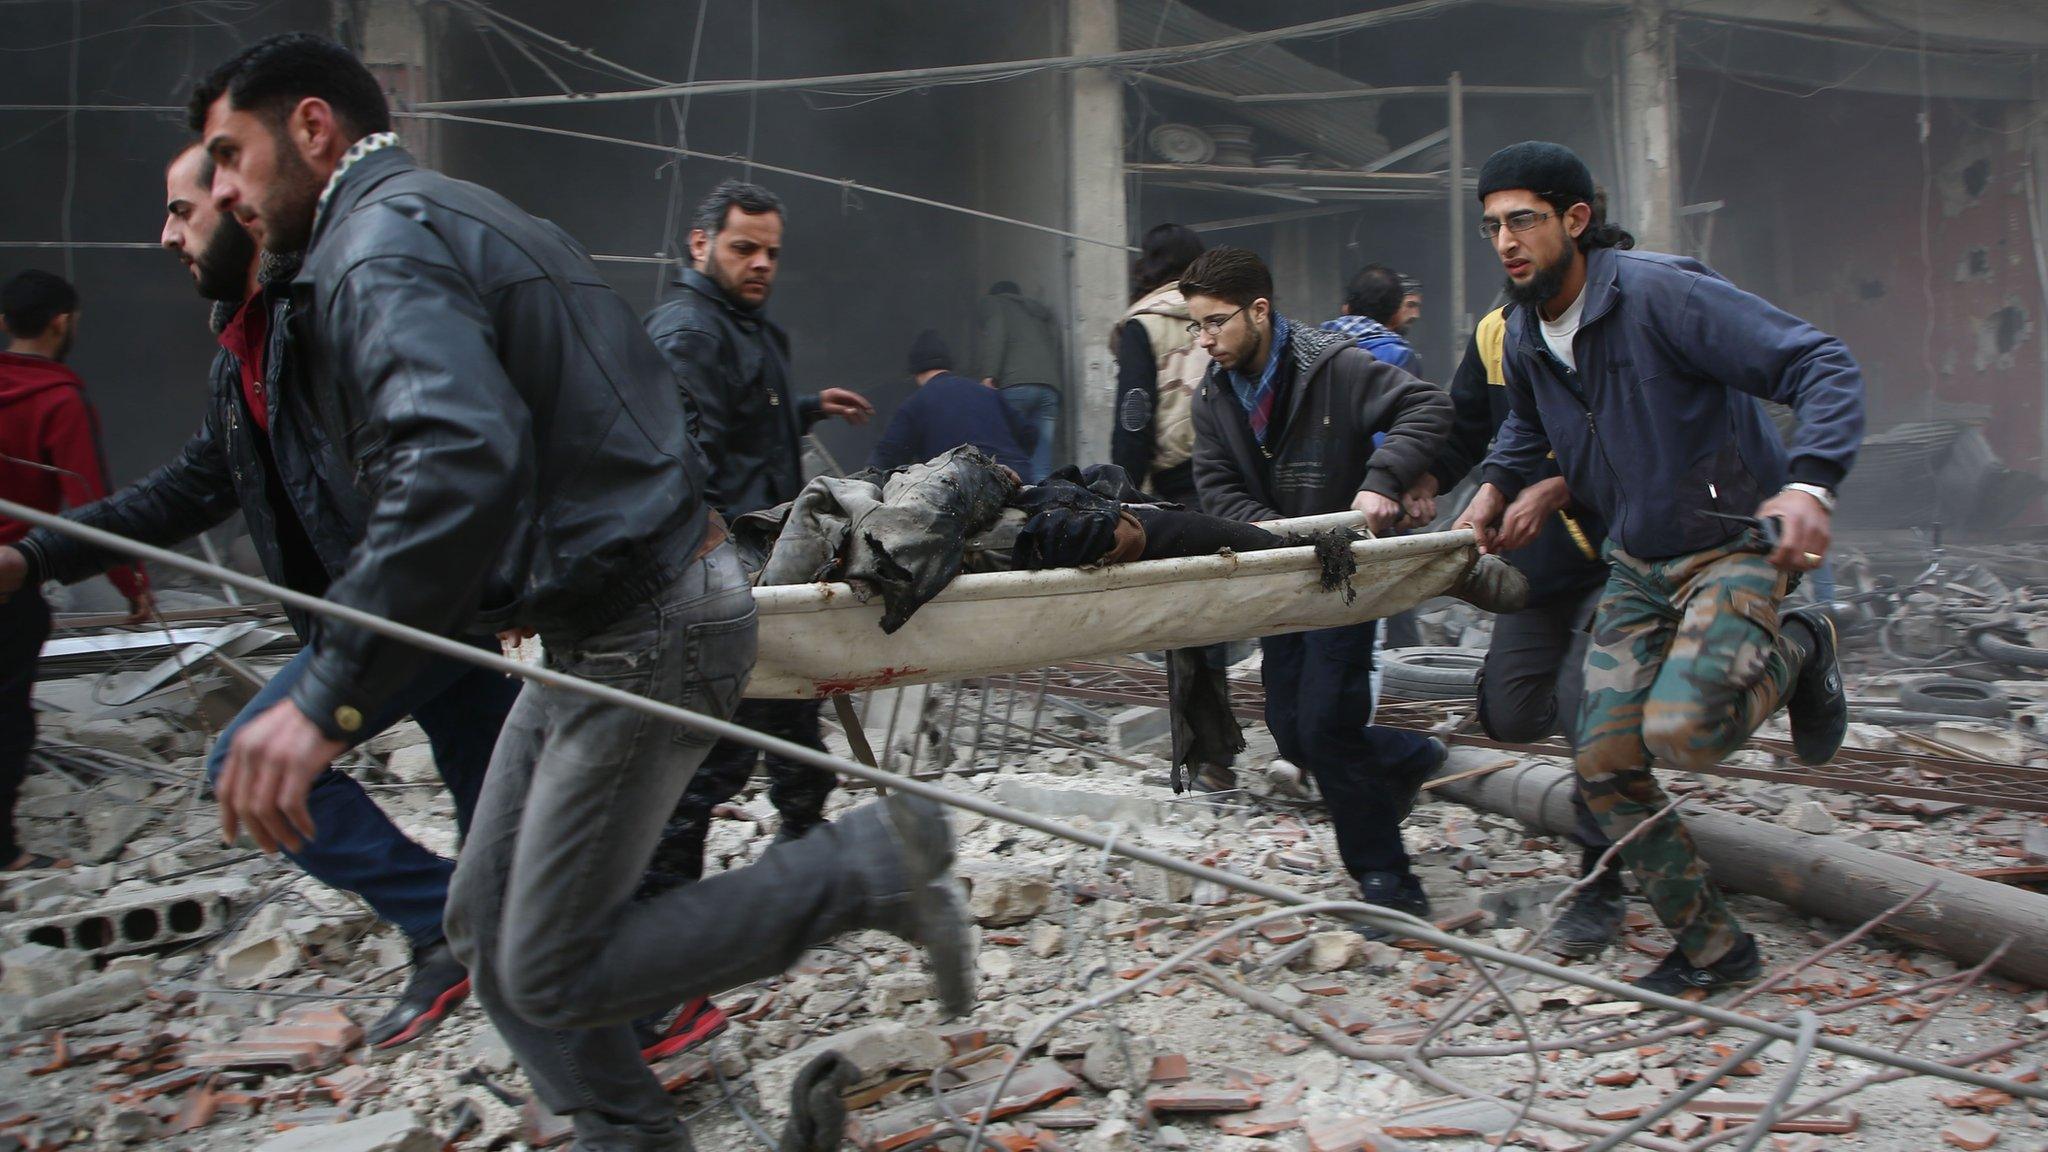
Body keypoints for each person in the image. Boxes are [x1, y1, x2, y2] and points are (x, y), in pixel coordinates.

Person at [189, 35, 969, 1147]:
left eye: (229, 155)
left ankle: (867, 870)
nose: (220, 191)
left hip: (645, 618)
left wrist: (326, 694)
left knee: (547, 962)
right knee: (486, 932)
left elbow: (453, 459)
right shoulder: (461, 215)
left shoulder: (372, 253)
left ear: (310, 130)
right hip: (608, 612)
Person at [0, 145, 523, 1051]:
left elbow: (454, 454)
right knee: (507, 823)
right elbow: (179, 493)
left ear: (240, 209)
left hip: (404, 614)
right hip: (404, 619)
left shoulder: (334, 318)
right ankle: (567, 987)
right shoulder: (241, 358)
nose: (165, 235)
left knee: (250, 763)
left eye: (181, 211)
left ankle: (456, 929)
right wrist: (36, 555)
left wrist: (508, 577)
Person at [1454, 141, 1861, 995]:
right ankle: (1716, 950)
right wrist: (1494, 486)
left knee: (1685, 732)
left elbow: (1816, 361)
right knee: (1602, 764)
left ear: (1576, 219)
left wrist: (1811, 481)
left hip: (1730, 540)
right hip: (1637, 560)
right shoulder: (1524, 332)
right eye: (1492, 226)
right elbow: (1528, 428)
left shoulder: (1661, 292)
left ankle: (1802, 646)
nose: (1505, 243)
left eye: (1523, 220)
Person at [1183, 246, 1452, 931]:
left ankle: (1388, 883)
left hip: (1341, 560)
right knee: (1290, 730)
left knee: (1328, 725)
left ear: (1260, 310)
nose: (1205, 339)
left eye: (1216, 323)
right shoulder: (1214, 399)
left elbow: (1426, 408)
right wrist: (1278, 534)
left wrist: (1382, 480)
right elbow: (1217, 491)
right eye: (1196, 326)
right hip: (1283, 567)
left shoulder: (1334, 367)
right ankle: (1410, 756)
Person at [641, 180, 872, 916]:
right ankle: (663, 919)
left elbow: (742, 420)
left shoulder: (742, 327)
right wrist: (706, 562)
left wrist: (805, 407)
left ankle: (805, 862)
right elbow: (676, 451)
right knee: (716, 749)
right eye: (745, 248)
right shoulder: (690, 332)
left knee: (795, 714)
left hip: (769, 563)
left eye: (771, 252)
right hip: (719, 573)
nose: (762, 264)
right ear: (700, 245)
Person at [1411, 300, 1620, 957]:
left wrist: (1557, 488)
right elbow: (1470, 427)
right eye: (1499, 228)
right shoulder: (1499, 334)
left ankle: (1601, 881)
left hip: (1627, 560)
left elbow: (1646, 443)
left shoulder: (1627, 330)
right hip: (1541, 570)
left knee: (1591, 709)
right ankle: (1622, 759)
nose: (1510, 244)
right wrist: (1417, 481)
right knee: (1513, 713)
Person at [0, 270, 151, 875]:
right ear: (62, 322)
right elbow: (92, 508)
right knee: (8, 715)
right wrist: (133, 587)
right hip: (10, 588)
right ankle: (6, 853)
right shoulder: (58, 399)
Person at [1110, 223, 1208, 500]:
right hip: (1238, 473)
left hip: (1180, 480)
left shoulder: (1143, 324)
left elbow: (1134, 417)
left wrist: (1122, 495)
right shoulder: (1223, 313)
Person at [868, 330, 1032, 475]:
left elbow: (886, 457)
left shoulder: (915, 404)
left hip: (965, 488)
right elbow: (1029, 433)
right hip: (1019, 480)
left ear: (914, 373)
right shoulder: (989, 393)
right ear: (949, 366)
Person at [974, 280, 1063, 481]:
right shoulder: (1038, 314)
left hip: (1015, 386)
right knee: (1042, 462)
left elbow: (997, 334)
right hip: (1049, 389)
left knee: (1009, 455)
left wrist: (989, 375)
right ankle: (1044, 507)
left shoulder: (993, 303)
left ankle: (1018, 506)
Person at [1322, 263, 1422, 376]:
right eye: (1410, 305)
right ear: (1394, 308)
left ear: (1347, 308)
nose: (1416, 315)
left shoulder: (1315, 345)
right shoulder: (1399, 356)